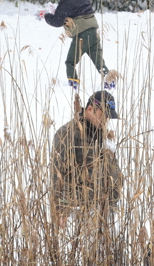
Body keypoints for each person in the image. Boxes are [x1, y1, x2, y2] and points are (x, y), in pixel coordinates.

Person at [50, 91, 122, 220]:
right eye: (103, 115)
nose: (105, 120)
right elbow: (58, 175)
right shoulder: (67, 134)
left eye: (108, 117)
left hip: (102, 212)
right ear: (90, 109)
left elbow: (114, 171)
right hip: (76, 213)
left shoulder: (103, 135)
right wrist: (61, 211)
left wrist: (112, 205)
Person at [43, 0, 115, 92]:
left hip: (82, 35)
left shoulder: (67, 0)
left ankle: (73, 85)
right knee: (98, 61)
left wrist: (46, 15)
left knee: (70, 62)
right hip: (93, 32)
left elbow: (57, 21)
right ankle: (110, 81)